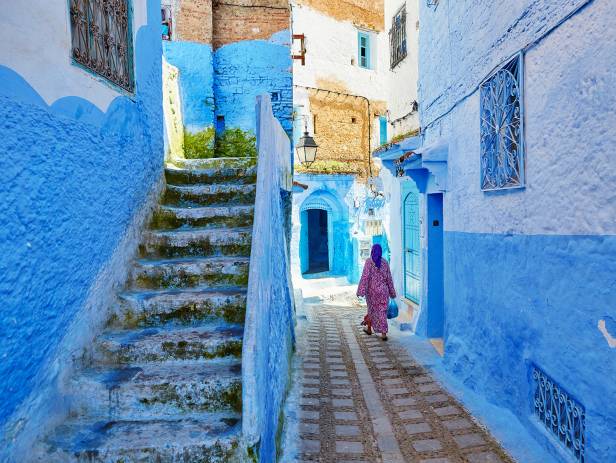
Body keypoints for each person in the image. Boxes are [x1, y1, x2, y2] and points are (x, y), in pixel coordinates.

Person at [357, 244, 396, 341]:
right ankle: (383, 334)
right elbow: (389, 279)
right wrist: (392, 293)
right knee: (382, 312)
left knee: (371, 311)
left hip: (371, 292)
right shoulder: (385, 263)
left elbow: (365, 277)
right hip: (384, 292)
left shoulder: (369, 262)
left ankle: (369, 329)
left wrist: (360, 291)